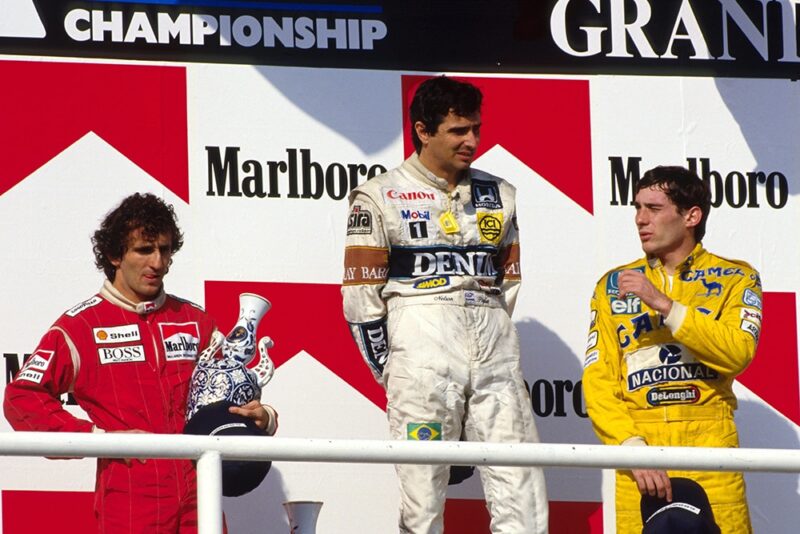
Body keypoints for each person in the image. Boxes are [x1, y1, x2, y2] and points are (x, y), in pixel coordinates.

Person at [341, 76, 548, 534]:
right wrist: (392, 370)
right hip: (420, 351)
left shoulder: (502, 194)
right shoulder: (379, 195)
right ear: (423, 130)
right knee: (423, 502)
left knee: (523, 491)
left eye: (475, 128)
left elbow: (507, 283)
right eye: (458, 131)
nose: (471, 140)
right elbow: (360, 298)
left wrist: (486, 329)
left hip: (494, 348)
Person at [3, 193, 277, 533]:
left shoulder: (194, 320)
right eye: (145, 250)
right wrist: (96, 438)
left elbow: (225, 403)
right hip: (131, 496)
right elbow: (21, 397)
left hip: (199, 492)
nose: (158, 263)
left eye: (165, 250)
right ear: (115, 255)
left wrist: (263, 417)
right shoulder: (81, 326)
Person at [582, 166, 761, 534]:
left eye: (653, 208)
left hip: (711, 454)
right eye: (637, 208)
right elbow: (598, 381)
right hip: (640, 460)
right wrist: (633, 449)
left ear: (691, 216)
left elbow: (738, 352)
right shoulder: (613, 285)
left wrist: (665, 305)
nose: (639, 219)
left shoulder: (736, 278)